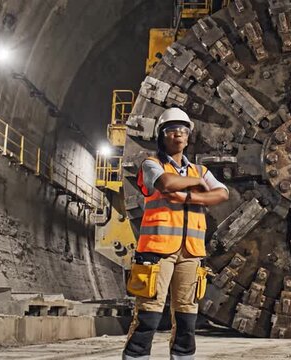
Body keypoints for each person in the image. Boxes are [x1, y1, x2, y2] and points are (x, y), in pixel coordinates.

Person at [123, 107, 229, 360]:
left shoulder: (200, 170)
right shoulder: (151, 164)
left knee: (187, 316)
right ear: (162, 136)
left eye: (183, 130)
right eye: (171, 130)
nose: (178, 135)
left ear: (189, 136)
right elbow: (165, 183)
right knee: (148, 314)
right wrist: (198, 186)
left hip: (190, 252)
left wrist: (189, 196)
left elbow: (222, 193)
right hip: (156, 251)